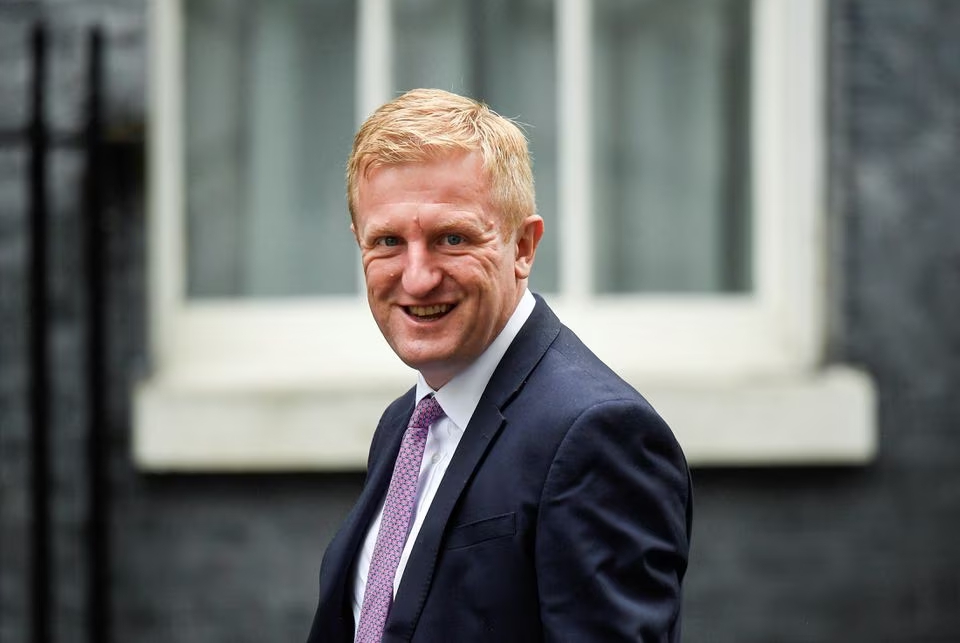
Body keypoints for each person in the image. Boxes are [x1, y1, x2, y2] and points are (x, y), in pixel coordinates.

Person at [306, 88, 692, 643]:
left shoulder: (598, 436)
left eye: (452, 238)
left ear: (524, 248)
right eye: (388, 241)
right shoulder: (406, 424)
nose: (416, 277)